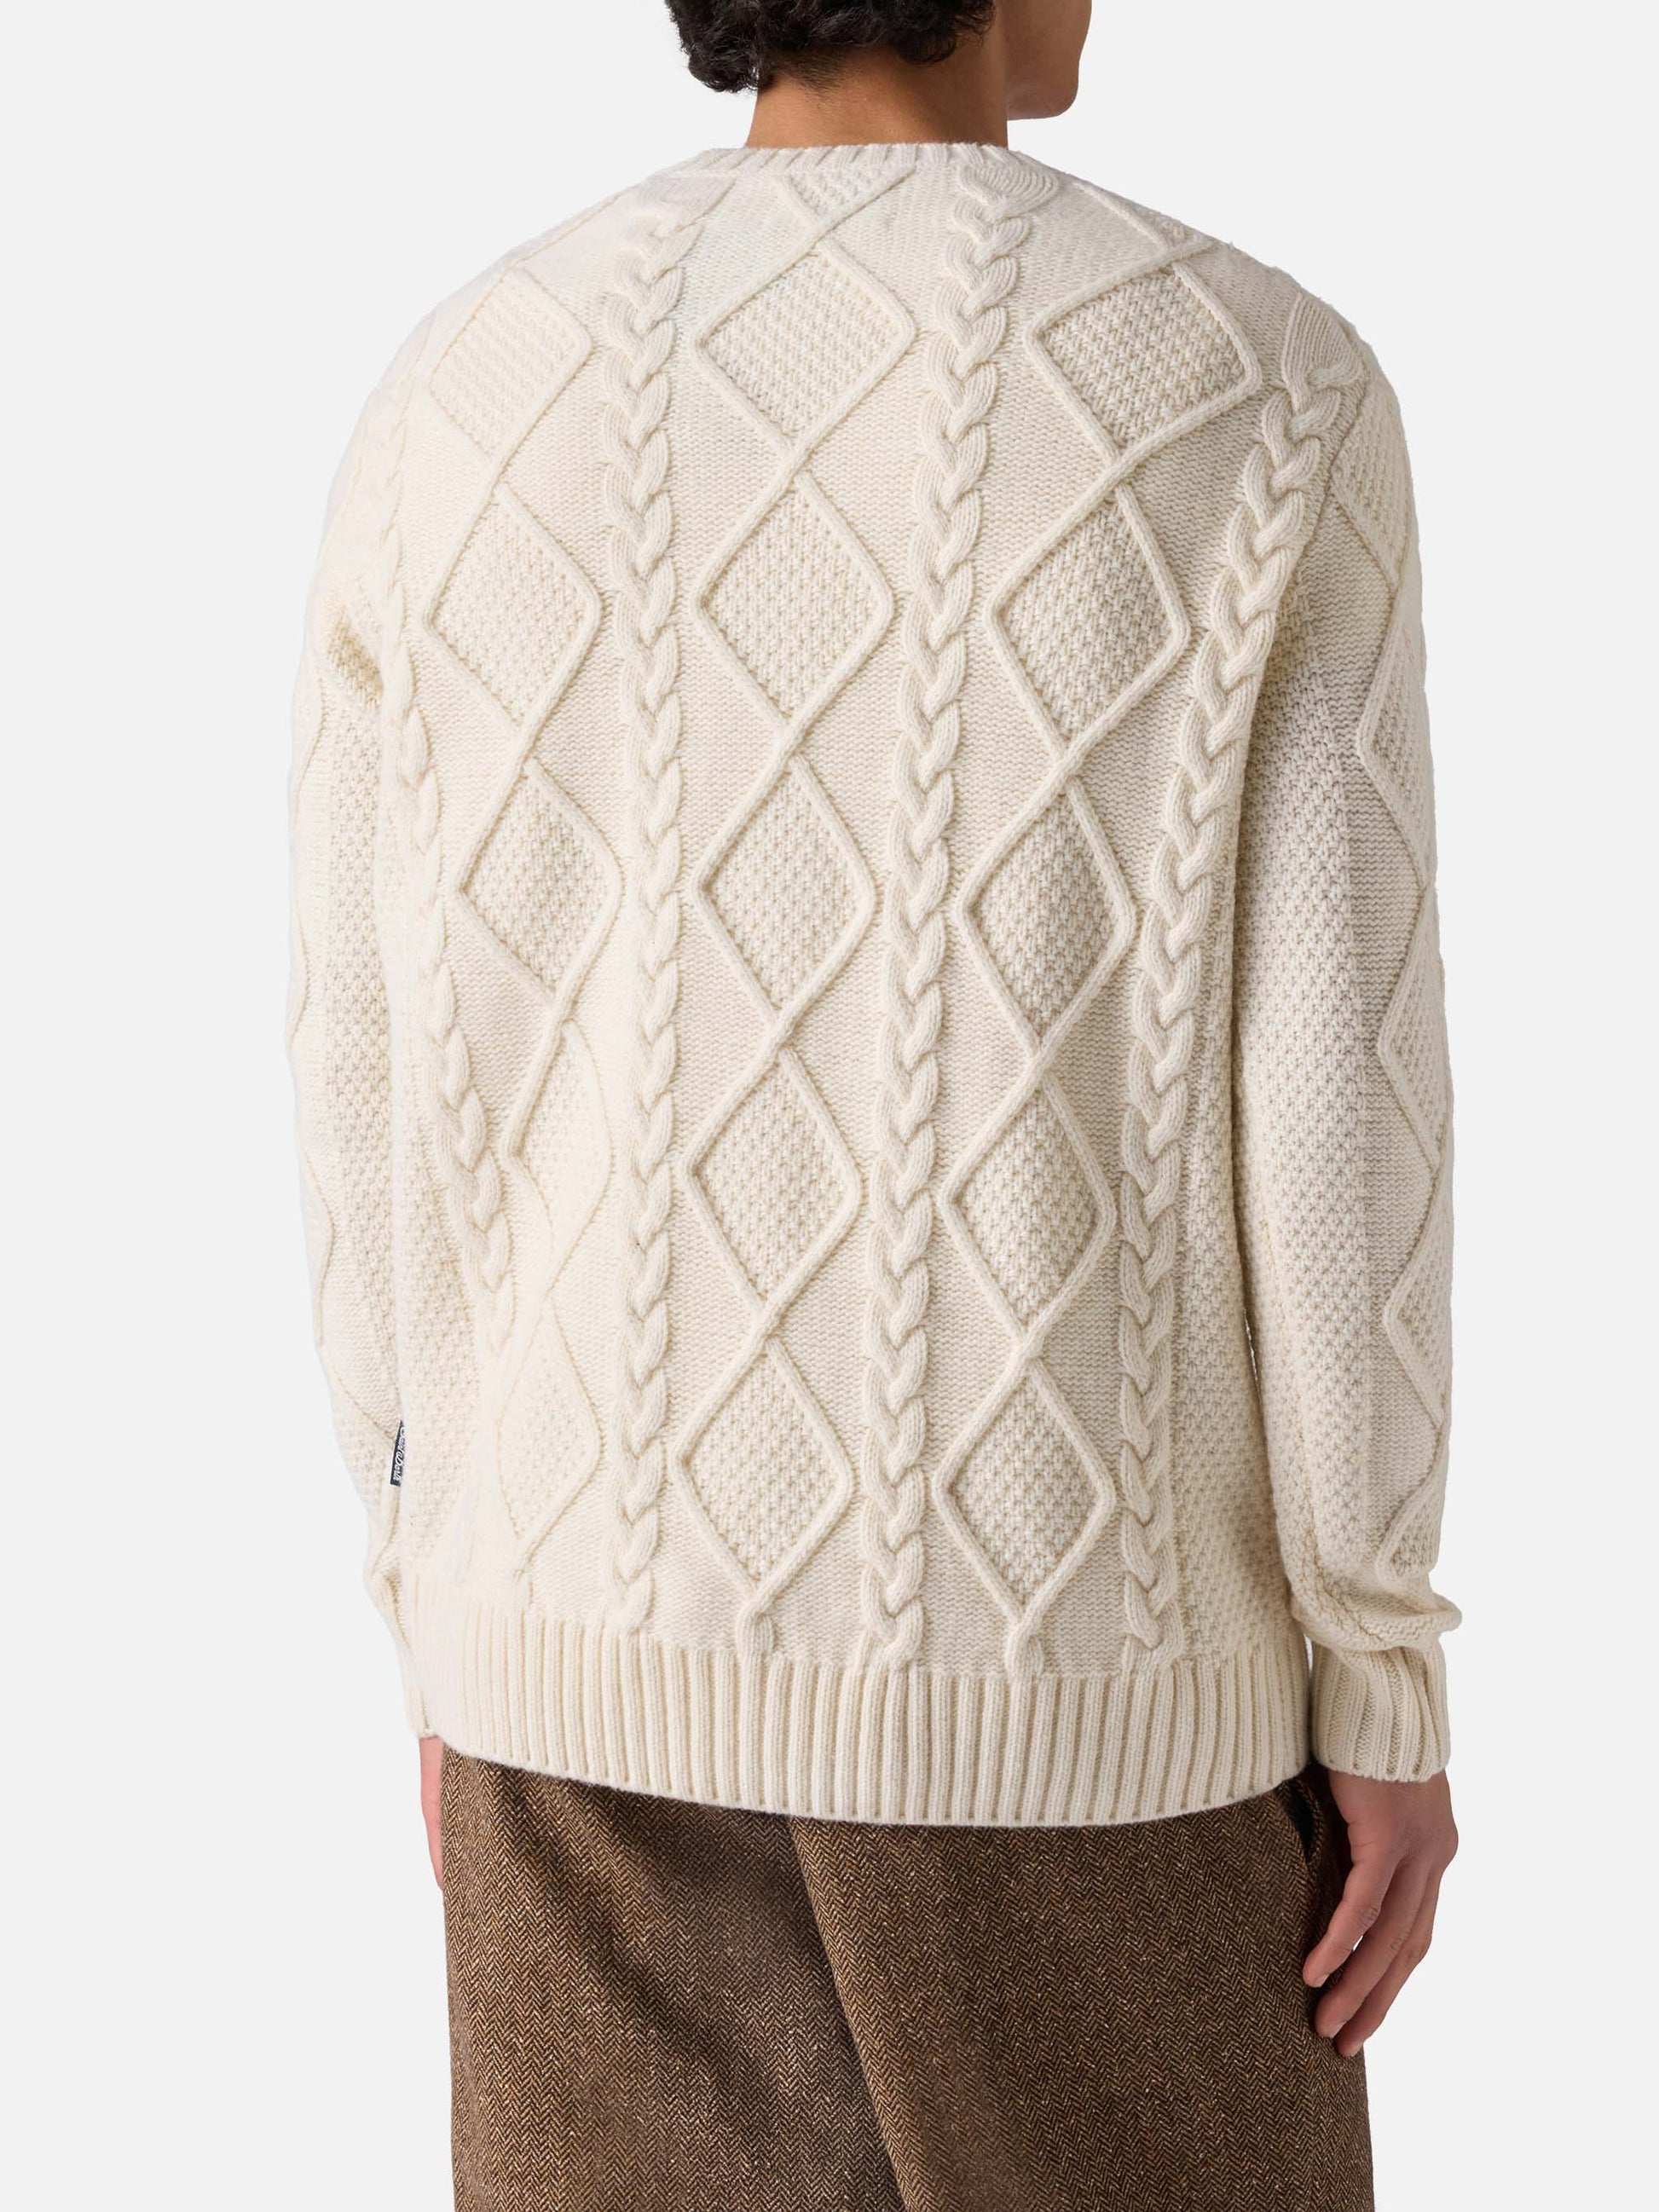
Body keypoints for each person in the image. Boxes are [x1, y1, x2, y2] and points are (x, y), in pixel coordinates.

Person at [288, 3, 1460, 2203]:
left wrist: (436, 1605)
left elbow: (365, 1087)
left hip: (567, 1715)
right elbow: (1336, 1122)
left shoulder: (454, 393)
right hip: (1095, 1732)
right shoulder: (1261, 388)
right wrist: (1376, 1666)